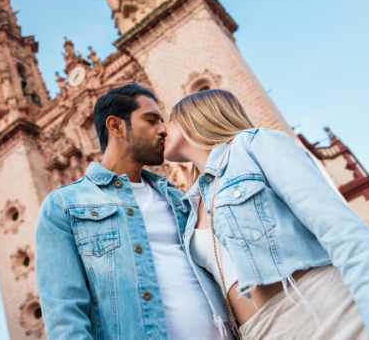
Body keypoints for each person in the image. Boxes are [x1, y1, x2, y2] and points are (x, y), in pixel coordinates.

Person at [163, 88, 369, 340]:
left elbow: (340, 229)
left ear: (194, 117)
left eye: (169, 120)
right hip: (259, 332)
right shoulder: (189, 206)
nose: (162, 128)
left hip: (327, 313)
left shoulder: (255, 146)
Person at [36, 83, 234, 340]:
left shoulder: (181, 199)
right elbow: (65, 317)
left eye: (162, 121)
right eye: (151, 120)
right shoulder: (63, 206)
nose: (163, 129)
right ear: (116, 126)